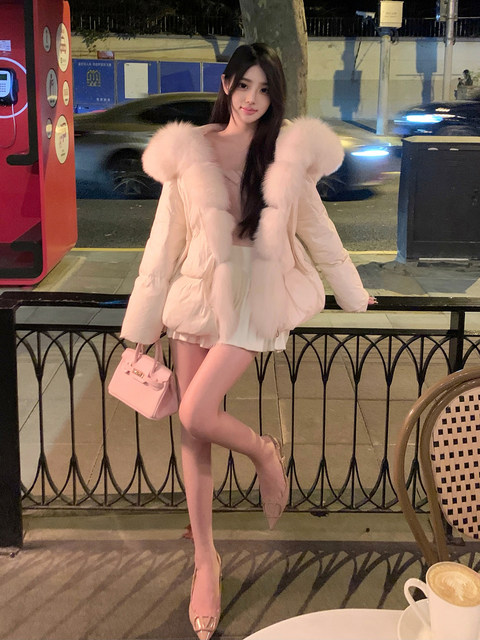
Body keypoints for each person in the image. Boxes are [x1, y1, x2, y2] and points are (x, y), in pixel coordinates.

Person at [120, 42, 375, 640]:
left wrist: (352, 291)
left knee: (198, 411)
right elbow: (164, 242)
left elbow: (318, 231)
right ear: (227, 85)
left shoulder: (284, 154)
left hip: (255, 297)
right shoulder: (192, 149)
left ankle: (263, 453)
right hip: (196, 292)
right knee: (192, 432)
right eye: (244, 86)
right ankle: (205, 561)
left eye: (264, 89)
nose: (252, 99)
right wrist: (142, 325)